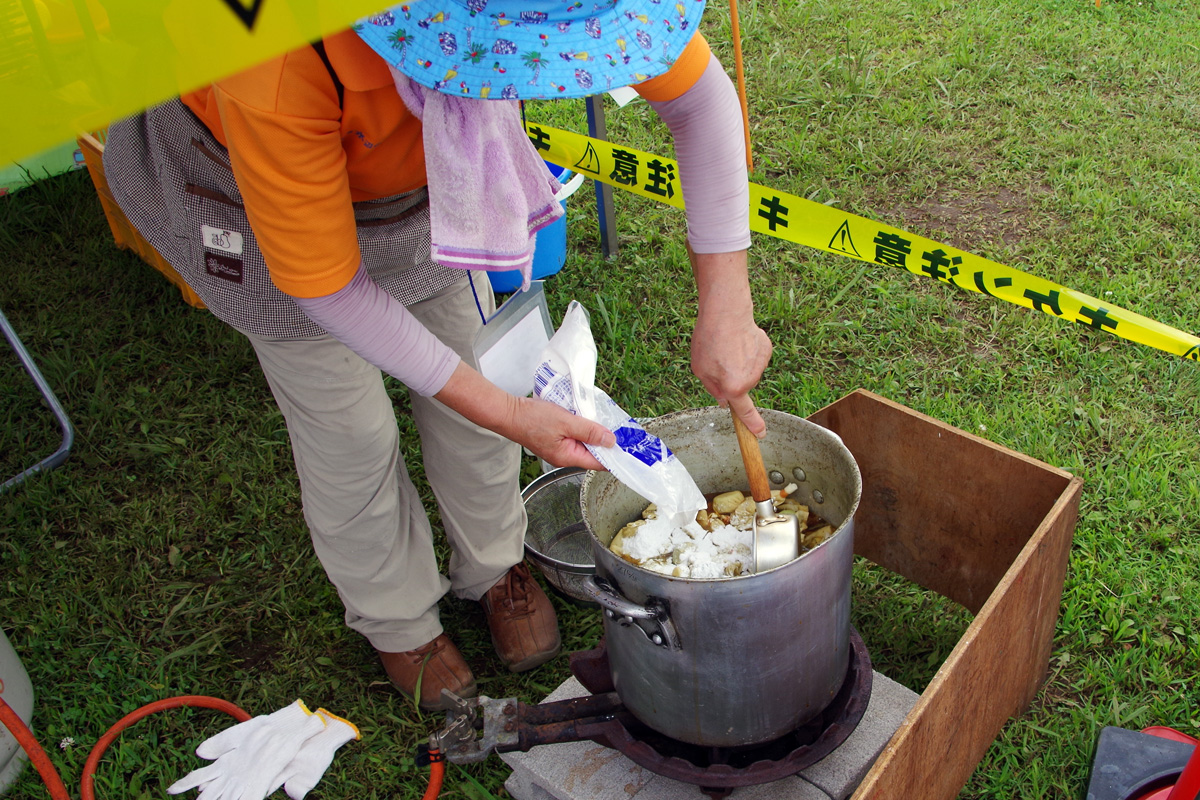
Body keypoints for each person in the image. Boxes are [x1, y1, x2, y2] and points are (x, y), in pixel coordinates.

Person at [102, 0, 771, 711]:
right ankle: (399, 620)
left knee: (475, 381)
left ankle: (493, 568)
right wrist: (512, 412)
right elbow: (329, 290)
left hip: (429, 179)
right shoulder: (272, 54)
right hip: (249, 194)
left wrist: (728, 303)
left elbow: (700, 101)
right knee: (349, 433)